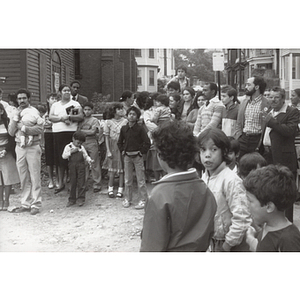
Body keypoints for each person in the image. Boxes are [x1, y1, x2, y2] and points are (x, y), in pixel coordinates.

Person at [140, 120, 217, 251]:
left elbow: (151, 246)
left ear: (160, 155)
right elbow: (210, 231)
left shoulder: (159, 195)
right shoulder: (204, 189)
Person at [198, 128, 252, 251]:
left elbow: (242, 217)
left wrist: (228, 244)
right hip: (213, 240)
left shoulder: (231, 180)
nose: (207, 154)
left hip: (231, 243)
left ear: (224, 152)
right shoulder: (204, 177)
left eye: (213, 149)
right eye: (203, 150)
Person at [261, 86, 299, 222]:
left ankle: (287, 222)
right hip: (268, 155)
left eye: (277, 97)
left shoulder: (292, 112)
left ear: (283, 98)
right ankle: (272, 220)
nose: (273, 100)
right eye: (270, 97)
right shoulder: (269, 112)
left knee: (286, 191)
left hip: (284, 158)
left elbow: (289, 131)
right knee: (270, 190)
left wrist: (271, 121)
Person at [244, 164, 300, 251]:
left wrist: (251, 241)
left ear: (269, 207)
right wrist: (252, 238)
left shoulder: (288, 240)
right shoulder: (267, 225)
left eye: (250, 201)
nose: (247, 205)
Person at [8, 89, 44, 215]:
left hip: (33, 146)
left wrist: (24, 128)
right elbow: (11, 132)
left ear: (28, 99)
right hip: (19, 147)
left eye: (24, 98)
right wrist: (14, 119)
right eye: (19, 98)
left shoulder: (34, 112)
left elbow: (39, 129)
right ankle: (25, 203)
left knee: (34, 175)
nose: (22, 100)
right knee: (23, 176)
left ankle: (36, 203)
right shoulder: (15, 112)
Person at [49, 84, 84, 194]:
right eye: (64, 90)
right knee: (60, 158)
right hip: (58, 133)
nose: (67, 92)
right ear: (60, 92)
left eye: (69, 90)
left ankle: (72, 183)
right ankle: (61, 182)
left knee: (72, 157)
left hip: (71, 132)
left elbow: (80, 117)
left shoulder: (75, 104)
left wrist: (69, 117)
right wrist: (61, 118)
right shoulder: (55, 105)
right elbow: (51, 117)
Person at [118, 106, 151, 209]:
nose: (131, 116)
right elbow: (119, 142)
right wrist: (123, 150)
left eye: (134, 114)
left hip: (137, 156)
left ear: (137, 117)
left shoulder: (140, 129)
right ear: (127, 116)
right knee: (128, 179)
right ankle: (128, 199)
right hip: (127, 156)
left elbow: (147, 142)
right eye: (129, 114)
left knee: (140, 179)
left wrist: (141, 152)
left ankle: (143, 200)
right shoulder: (124, 129)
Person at [234, 76, 269, 158]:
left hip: (257, 140)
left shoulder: (266, 103)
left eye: (248, 85)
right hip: (243, 138)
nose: (246, 87)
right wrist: (238, 137)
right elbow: (239, 122)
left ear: (257, 87)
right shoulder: (244, 102)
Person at [62, 131, 93, 207]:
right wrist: (71, 152)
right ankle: (72, 199)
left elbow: (85, 155)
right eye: (78, 142)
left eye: (81, 143)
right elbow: (64, 156)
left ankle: (81, 199)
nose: (79, 144)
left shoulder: (81, 148)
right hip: (72, 166)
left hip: (81, 166)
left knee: (81, 182)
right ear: (73, 139)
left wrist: (89, 160)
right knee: (73, 183)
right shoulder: (68, 147)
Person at [104, 103, 128, 198]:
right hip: (112, 146)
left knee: (121, 168)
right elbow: (106, 137)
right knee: (112, 168)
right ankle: (110, 188)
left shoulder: (125, 121)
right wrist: (108, 150)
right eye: (119, 109)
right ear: (114, 111)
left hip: (121, 145)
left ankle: (120, 188)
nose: (121, 110)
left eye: (122, 109)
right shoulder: (108, 122)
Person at [77, 102, 102, 193]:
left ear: (92, 110)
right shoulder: (80, 120)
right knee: (84, 163)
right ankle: (84, 183)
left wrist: (81, 131)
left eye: (89, 110)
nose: (87, 111)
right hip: (82, 143)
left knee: (94, 163)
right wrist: (85, 131)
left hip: (92, 142)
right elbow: (77, 131)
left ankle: (97, 184)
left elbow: (93, 132)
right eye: (85, 110)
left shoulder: (94, 120)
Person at [0, 103, 19, 211]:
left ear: (2, 111)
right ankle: (0, 201)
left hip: (6, 153)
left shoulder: (7, 122)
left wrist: (5, 150)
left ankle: (6, 200)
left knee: (7, 178)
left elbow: (12, 139)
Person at [144, 93, 164, 182]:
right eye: (156, 100)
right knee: (154, 157)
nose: (157, 102)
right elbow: (148, 123)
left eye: (159, 101)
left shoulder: (165, 109)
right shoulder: (148, 112)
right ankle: (155, 178)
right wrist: (159, 129)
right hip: (154, 135)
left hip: (165, 136)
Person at [44, 93, 58, 189]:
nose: (54, 100)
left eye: (56, 99)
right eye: (52, 98)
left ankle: (58, 178)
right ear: (48, 100)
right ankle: (50, 179)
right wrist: (54, 122)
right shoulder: (45, 113)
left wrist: (52, 122)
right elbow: (45, 125)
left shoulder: (58, 111)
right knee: (49, 158)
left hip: (57, 133)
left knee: (57, 156)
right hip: (48, 134)